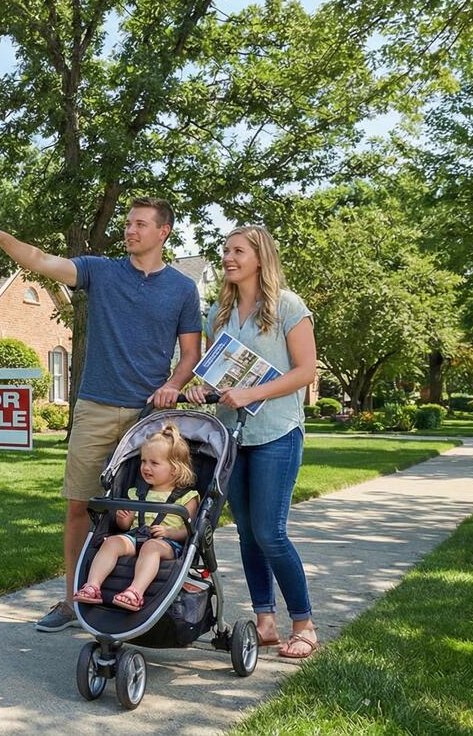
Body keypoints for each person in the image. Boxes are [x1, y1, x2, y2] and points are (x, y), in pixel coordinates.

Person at [0, 198, 202, 632]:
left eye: (140, 224)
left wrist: (173, 385)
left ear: (163, 232)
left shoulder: (182, 290)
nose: (130, 230)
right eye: (127, 223)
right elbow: (42, 261)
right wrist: (3, 239)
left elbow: (191, 353)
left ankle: (151, 593)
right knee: (80, 504)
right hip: (95, 405)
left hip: (147, 416)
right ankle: (71, 601)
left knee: (152, 508)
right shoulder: (101, 271)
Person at [185, 225, 320, 659]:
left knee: (269, 532)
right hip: (231, 436)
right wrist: (195, 387)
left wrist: (253, 393)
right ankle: (264, 621)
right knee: (246, 532)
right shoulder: (217, 314)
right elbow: (214, 372)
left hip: (276, 432)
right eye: (225, 251)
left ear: (260, 258)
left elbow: (306, 372)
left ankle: (304, 624)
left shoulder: (287, 306)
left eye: (238, 251)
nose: (228, 257)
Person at [72, 424, 199, 611]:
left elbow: (190, 531)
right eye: (143, 461)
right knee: (112, 542)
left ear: (175, 469)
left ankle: (134, 592)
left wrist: (170, 532)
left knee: (151, 547)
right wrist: (123, 520)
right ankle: (92, 586)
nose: (146, 467)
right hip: (136, 536)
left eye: (154, 463)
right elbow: (124, 526)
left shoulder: (187, 498)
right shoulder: (136, 493)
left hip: (167, 544)